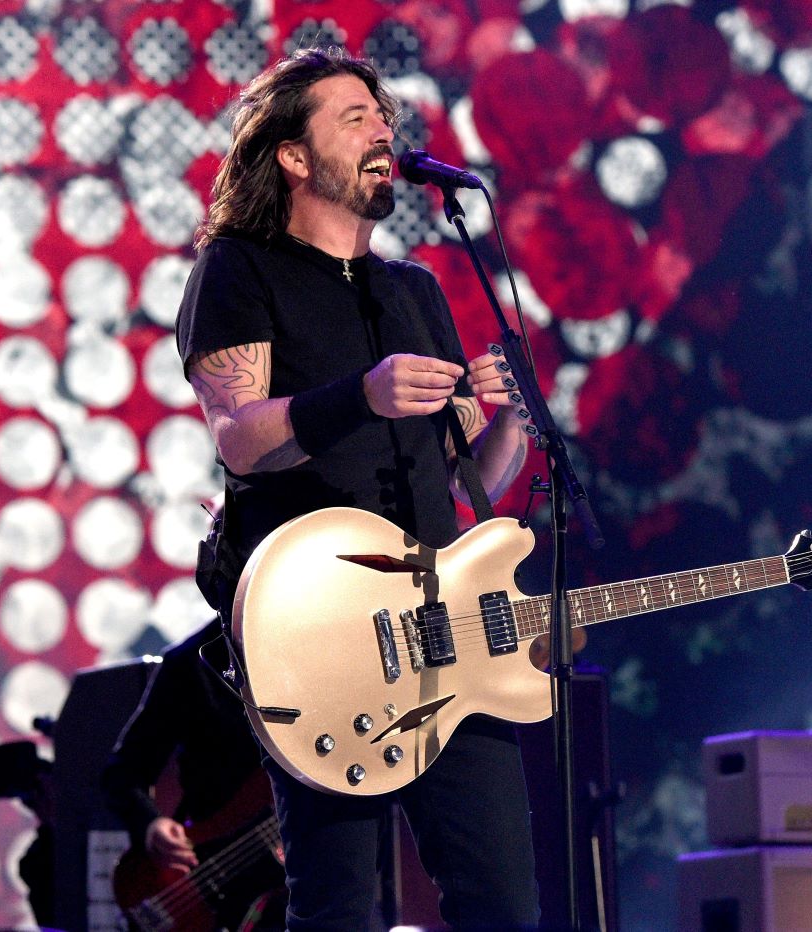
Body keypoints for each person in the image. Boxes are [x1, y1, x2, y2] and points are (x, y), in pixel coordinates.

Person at [175, 46, 540, 931]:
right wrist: (360, 396)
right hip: (319, 631)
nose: (384, 132)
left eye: (383, 117)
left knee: (504, 901)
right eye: (355, 119)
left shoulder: (413, 291)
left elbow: (462, 484)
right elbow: (239, 436)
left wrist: (510, 427)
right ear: (294, 157)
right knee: (340, 906)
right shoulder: (240, 268)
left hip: (441, 632)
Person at [101, 622, 287, 931]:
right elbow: (122, 773)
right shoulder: (188, 663)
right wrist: (151, 824)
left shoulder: (317, 643)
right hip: (213, 868)